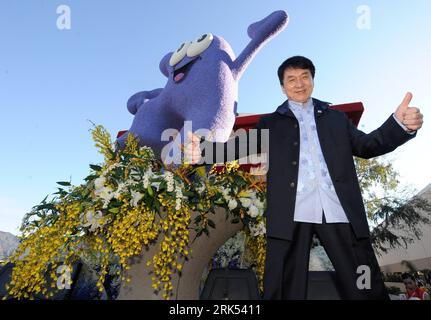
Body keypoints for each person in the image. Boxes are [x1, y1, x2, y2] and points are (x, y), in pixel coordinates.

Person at [184, 56, 424, 299]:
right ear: (282, 87)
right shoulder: (271, 123)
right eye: (291, 79)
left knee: (364, 283)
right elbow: (239, 146)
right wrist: (203, 150)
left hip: (337, 209)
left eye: (304, 77)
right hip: (291, 212)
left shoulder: (336, 118)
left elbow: (368, 145)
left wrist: (399, 125)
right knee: (284, 287)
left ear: (312, 80)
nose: (299, 84)